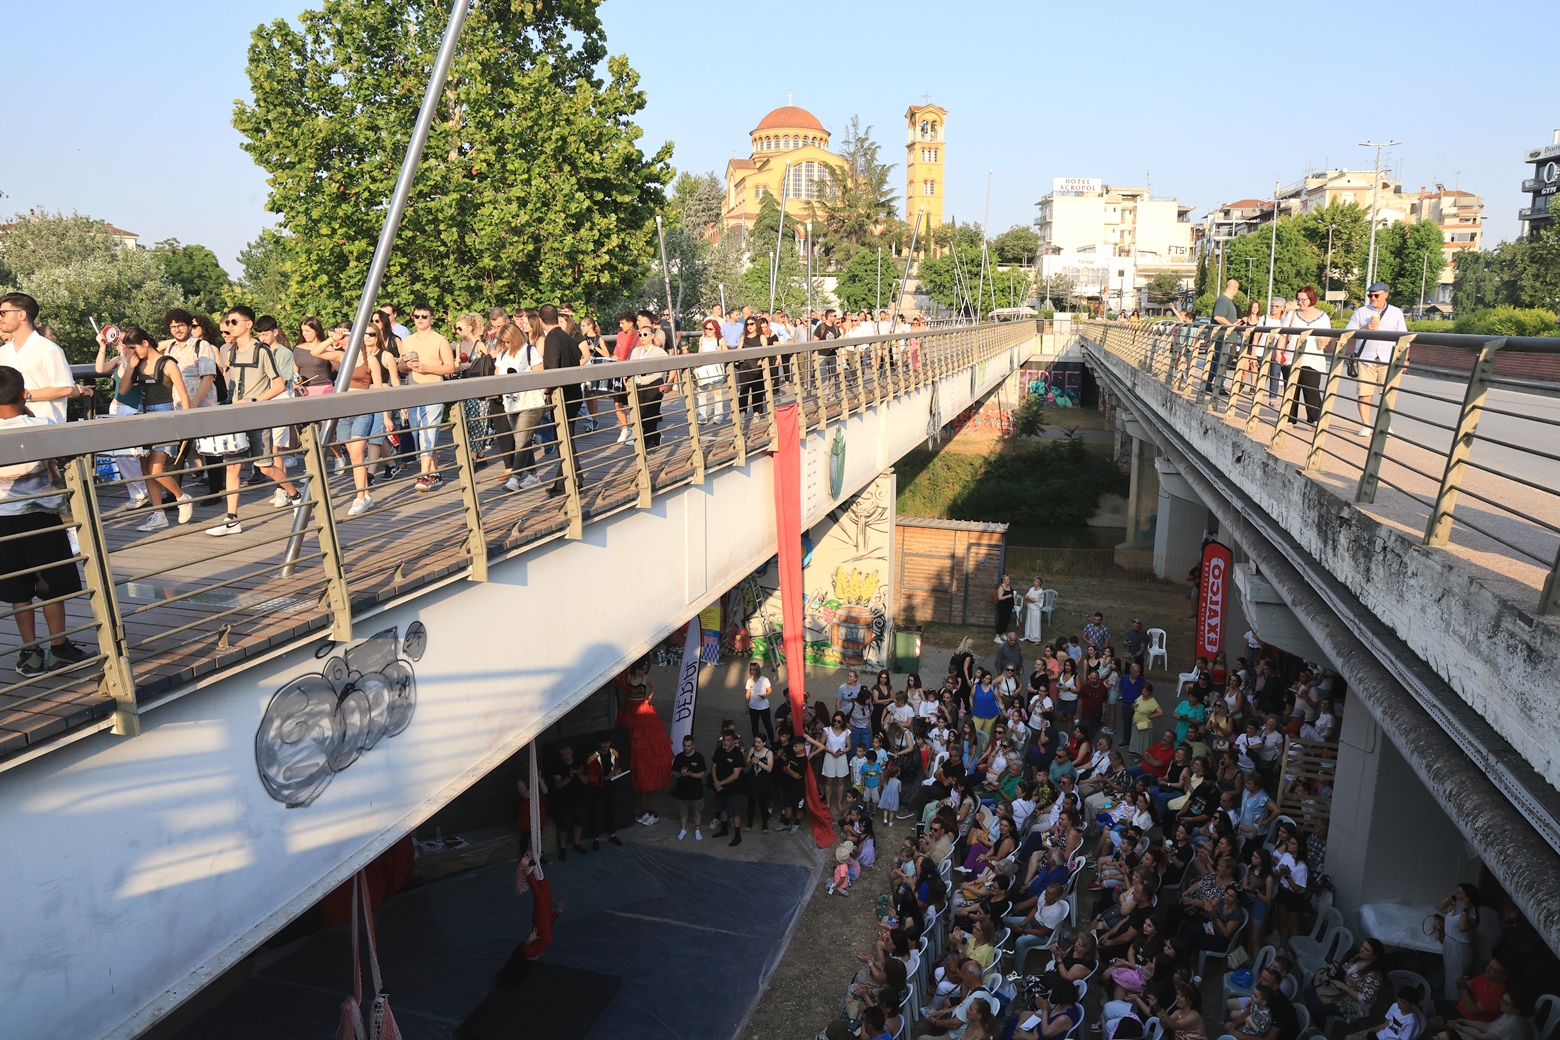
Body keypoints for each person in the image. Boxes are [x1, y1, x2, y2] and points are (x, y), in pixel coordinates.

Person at [0, 365, 93, 676]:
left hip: (3, 520)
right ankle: (59, 648)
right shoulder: (42, 424)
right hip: (41, 517)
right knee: (51, 585)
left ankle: (29, 653)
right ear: (24, 394)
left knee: (18, 591)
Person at [206, 306, 298, 536]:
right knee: (232, 467)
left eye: (234, 322)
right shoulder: (230, 352)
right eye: (228, 322)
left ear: (248, 324)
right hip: (236, 416)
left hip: (257, 415)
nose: (229, 326)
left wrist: (255, 400)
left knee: (265, 467)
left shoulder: (262, 351)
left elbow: (279, 385)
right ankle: (232, 519)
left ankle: (296, 496)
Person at [0, 293, 83, 425]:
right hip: (8, 428)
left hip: (44, 427)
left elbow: (65, 388)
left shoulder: (49, 349)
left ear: (21, 314)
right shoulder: (3, 352)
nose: (0, 318)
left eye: (3, 313)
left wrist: (23, 396)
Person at [1343, 282, 1408, 434]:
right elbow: (1347, 333)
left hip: (1388, 358)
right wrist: (1365, 329)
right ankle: (1366, 425)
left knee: (1388, 394)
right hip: (1366, 358)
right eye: (1370, 295)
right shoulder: (1361, 312)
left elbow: (1404, 337)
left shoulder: (1396, 312)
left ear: (1386, 295)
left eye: (1376, 295)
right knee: (1364, 393)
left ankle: (1384, 425)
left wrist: (1406, 359)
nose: (1373, 298)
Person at [491, 323, 546, 492]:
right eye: (503, 342)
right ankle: (533, 476)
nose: (506, 345)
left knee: (522, 440)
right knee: (522, 439)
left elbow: (541, 376)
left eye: (508, 341)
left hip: (531, 402)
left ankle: (515, 478)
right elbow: (497, 376)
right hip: (511, 403)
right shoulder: (502, 355)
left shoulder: (530, 351)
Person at [615, 658, 671, 824]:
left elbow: (653, 686)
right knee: (631, 741)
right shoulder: (628, 677)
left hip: (641, 708)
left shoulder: (645, 678)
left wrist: (648, 699)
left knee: (644, 742)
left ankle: (642, 795)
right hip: (630, 709)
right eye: (642, 669)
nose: (644, 671)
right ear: (637, 669)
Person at [1280, 286, 1331, 424]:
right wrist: (1278, 352)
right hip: (1292, 356)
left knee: (1311, 388)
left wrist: (1326, 340)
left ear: (1311, 299)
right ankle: (1289, 419)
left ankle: (1315, 419)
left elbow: (1328, 335)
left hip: (1313, 357)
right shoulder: (1292, 314)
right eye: (1298, 299)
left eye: (1303, 299)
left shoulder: (1323, 316)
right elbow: (1283, 335)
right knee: (1291, 389)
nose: (1300, 302)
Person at [1437, 883, 1481, 1001]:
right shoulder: (1455, 907)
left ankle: (1453, 1003)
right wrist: (1449, 898)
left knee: (1455, 979)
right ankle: (1447, 1001)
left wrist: (1466, 908)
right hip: (1449, 943)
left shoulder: (1471, 913)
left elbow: (1463, 927)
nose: (1457, 894)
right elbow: (1440, 908)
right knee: (1448, 976)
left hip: (1460, 948)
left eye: (1460, 893)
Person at [1431, 990, 1533, 1040]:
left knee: (1444, 1036)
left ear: (1517, 1009)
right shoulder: (1509, 1015)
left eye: (1506, 1003)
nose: (1501, 1003)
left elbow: (1482, 1037)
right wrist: (1463, 1021)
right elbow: (1488, 1026)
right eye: (1502, 1000)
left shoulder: (1511, 1026)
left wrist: (1459, 1027)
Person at [583, 735, 624, 850]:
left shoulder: (615, 753)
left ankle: (612, 835)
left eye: (608, 742)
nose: (606, 745)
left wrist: (617, 772)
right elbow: (590, 777)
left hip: (611, 786)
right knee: (596, 812)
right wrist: (605, 778)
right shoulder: (592, 758)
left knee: (611, 810)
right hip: (597, 788)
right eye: (603, 742)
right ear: (599, 743)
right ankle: (595, 839)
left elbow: (616, 767)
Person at [548, 744, 588, 860]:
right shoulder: (557, 767)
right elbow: (558, 785)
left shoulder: (579, 763)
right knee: (563, 827)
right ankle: (563, 848)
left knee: (578, 824)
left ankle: (577, 844)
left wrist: (580, 775)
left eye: (568, 754)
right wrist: (569, 777)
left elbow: (586, 781)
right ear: (560, 756)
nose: (566, 757)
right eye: (563, 755)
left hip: (579, 801)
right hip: (564, 803)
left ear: (572, 752)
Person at [710, 731, 747, 847]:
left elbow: (736, 775)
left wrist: (720, 783)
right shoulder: (719, 751)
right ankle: (724, 829)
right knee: (722, 808)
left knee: (734, 812)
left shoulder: (737, 754)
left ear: (732, 741)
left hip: (732, 788)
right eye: (724, 740)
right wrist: (715, 781)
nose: (725, 742)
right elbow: (714, 766)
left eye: (728, 740)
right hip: (719, 787)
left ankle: (737, 836)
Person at [669, 734, 706, 841]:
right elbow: (674, 773)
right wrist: (681, 774)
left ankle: (697, 829)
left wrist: (690, 774)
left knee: (697, 812)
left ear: (693, 745)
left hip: (696, 791)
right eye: (684, 745)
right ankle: (683, 828)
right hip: (682, 790)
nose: (686, 748)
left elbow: (701, 774)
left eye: (688, 746)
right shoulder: (679, 757)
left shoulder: (699, 757)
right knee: (683, 812)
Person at [693, 318, 727, 424]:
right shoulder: (702, 339)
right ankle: (702, 416)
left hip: (716, 369)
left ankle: (718, 416)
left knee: (717, 393)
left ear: (715, 329)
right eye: (706, 328)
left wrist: (721, 351)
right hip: (704, 369)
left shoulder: (720, 340)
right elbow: (699, 353)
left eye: (710, 329)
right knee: (701, 393)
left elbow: (727, 354)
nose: (707, 331)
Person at [745, 660, 775, 744]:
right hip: (753, 707)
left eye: (754, 670)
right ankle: (757, 742)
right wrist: (747, 705)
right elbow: (748, 694)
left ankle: (772, 741)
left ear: (757, 670)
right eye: (751, 670)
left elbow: (770, 690)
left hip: (763, 707)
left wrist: (765, 695)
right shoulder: (749, 681)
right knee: (754, 726)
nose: (752, 671)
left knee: (767, 724)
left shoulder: (764, 680)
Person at [993, 575, 1015, 639]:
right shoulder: (1001, 588)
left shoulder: (1009, 586)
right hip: (1003, 607)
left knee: (1007, 620)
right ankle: (997, 636)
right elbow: (999, 598)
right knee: (1002, 621)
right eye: (1007, 579)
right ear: (1003, 581)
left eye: (1009, 579)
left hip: (1009, 607)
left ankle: (1003, 633)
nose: (1008, 580)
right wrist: (1007, 596)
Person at [1023, 578, 1045, 643]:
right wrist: (1029, 598)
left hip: (1036, 608)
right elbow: (1026, 596)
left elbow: (1034, 600)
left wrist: (1029, 598)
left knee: (1035, 624)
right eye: (1034, 581)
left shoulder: (1040, 591)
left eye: (1036, 582)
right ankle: (1028, 636)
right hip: (1030, 607)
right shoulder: (1031, 589)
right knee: (1029, 622)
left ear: (1039, 583)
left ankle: (1036, 639)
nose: (1034, 583)